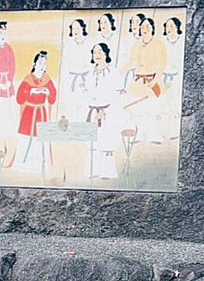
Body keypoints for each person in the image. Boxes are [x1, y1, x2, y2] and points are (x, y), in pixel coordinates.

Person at [83, 42, 125, 180]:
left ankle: (107, 172)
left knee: (106, 143)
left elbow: (120, 95)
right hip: (92, 113)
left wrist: (107, 112)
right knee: (92, 144)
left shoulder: (112, 72)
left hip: (107, 114)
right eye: (95, 52)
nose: (97, 55)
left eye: (100, 52)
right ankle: (92, 170)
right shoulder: (90, 73)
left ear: (106, 53)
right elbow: (86, 93)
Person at [12, 51, 58, 174]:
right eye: (40, 62)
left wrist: (48, 92)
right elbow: (19, 98)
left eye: (44, 63)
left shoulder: (47, 80)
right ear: (34, 63)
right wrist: (30, 91)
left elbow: (53, 98)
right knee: (26, 138)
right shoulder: (27, 79)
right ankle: (24, 165)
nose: (42, 65)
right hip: (29, 113)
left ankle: (40, 167)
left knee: (40, 140)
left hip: (41, 113)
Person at [122, 16, 167, 143]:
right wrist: (119, 72)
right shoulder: (136, 44)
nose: (145, 29)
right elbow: (130, 62)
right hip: (138, 81)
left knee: (153, 110)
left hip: (152, 80)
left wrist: (155, 80)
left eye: (147, 26)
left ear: (152, 28)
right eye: (143, 27)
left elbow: (162, 64)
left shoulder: (158, 43)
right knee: (138, 111)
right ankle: (140, 134)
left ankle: (154, 135)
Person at [59, 18, 90, 121]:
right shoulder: (69, 44)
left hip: (84, 78)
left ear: (82, 28)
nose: (75, 31)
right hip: (71, 78)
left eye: (77, 28)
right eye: (73, 28)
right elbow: (64, 63)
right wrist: (64, 79)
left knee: (82, 105)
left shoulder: (88, 43)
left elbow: (91, 64)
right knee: (70, 104)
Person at [160, 16, 185, 140]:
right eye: (167, 26)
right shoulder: (162, 42)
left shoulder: (182, 41)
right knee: (164, 106)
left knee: (175, 107)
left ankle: (175, 132)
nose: (169, 28)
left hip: (177, 76)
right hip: (163, 76)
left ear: (177, 27)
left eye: (171, 26)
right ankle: (163, 131)